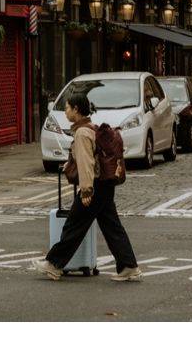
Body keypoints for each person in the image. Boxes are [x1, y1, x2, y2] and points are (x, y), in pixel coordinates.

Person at [44, 92, 140, 282]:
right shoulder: (91, 128)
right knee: (111, 226)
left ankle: (54, 264)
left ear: (76, 110)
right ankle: (128, 265)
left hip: (95, 186)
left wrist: (86, 190)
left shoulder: (82, 133)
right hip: (105, 184)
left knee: (74, 225)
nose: (65, 111)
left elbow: (86, 164)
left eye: (67, 107)